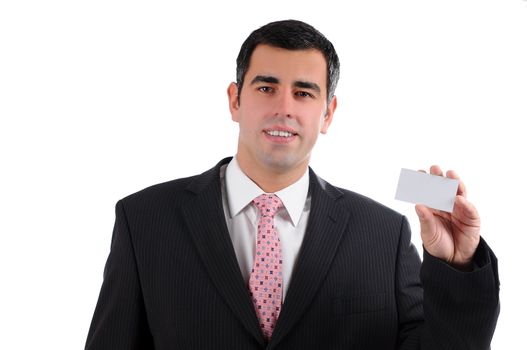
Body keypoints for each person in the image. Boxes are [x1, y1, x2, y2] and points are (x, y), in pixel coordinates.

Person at [85, 20, 500, 349]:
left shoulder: (383, 235)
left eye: (304, 93)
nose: (284, 109)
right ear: (235, 99)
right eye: (266, 87)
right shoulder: (145, 220)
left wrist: (456, 267)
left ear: (328, 113)